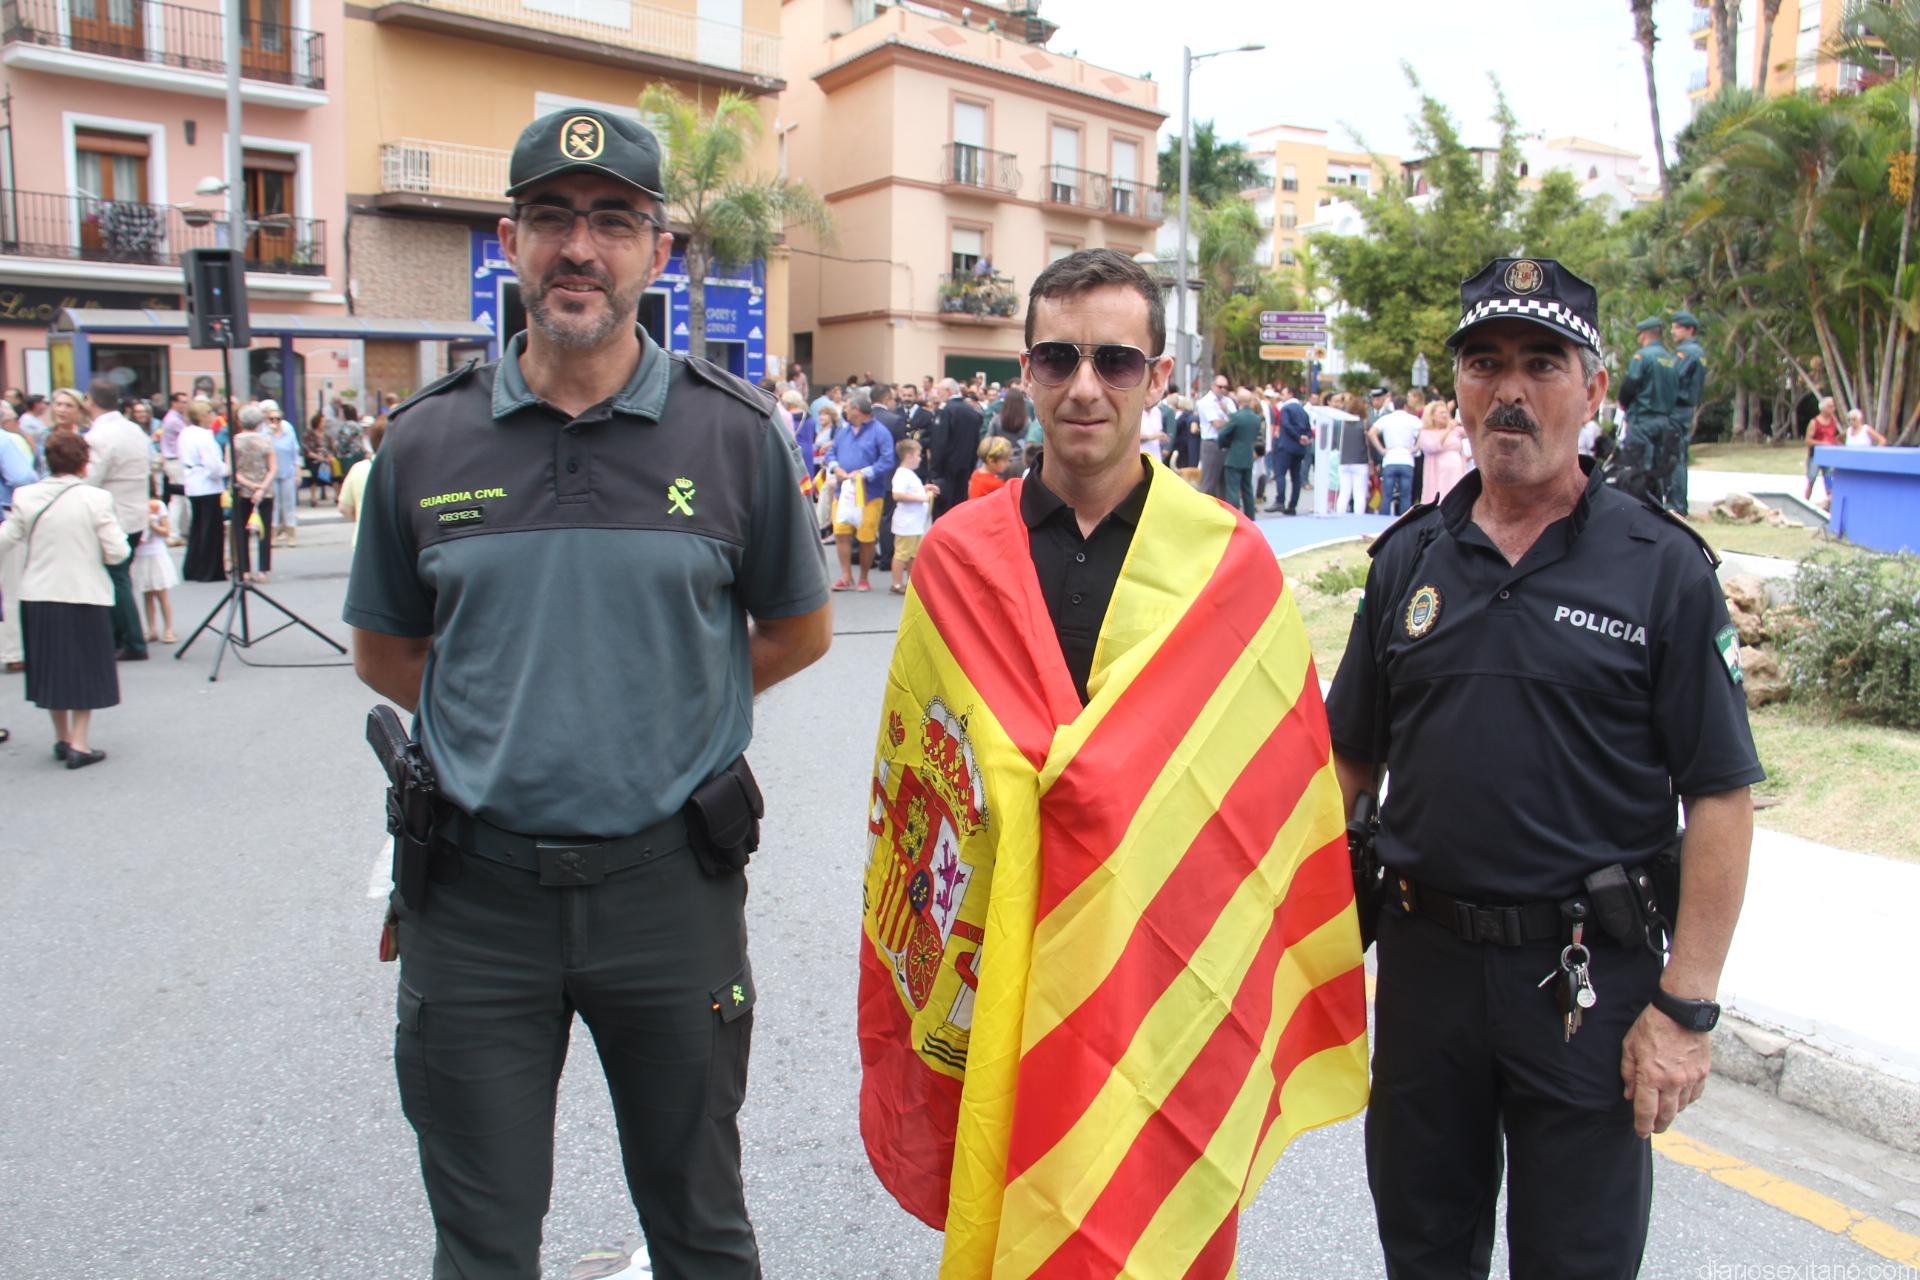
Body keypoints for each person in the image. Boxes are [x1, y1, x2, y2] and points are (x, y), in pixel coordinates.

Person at [343, 107, 832, 1280]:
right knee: (482, 1245)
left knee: (701, 1229)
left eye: (613, 221)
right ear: (508, 239)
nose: (580, 247)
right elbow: (387, 652)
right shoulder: (424, 442)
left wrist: (668, 698)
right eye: (552, 218)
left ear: (655, 249)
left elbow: (799, 629)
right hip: (475, 904)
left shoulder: (734, 435)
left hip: (670, 893)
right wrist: (511, 708)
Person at [856, 248, 1367, 1270]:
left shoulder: (1231, 567)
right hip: (1002, 962)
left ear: (1158, 377)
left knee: (1155, 1220)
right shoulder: (955, 558)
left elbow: (1276, 806)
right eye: (1059, 358)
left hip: (1163, 977)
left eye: (1116, 361)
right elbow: (919, 783)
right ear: (1026, 371)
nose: (1085, 386)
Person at [1326, 257, 1760, 1280]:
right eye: (1485, 362)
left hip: (1585, 983)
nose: (1509, 390)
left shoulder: (1661, 567)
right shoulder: (1407, 562)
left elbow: (1720, 797)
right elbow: (1348, 765)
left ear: (1594, 388)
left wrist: (1685, 1009)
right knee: (1423, 1250)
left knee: (1578, 1261)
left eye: (1541, 362)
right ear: (1458, 385)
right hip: (1425, 976)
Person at [0, 429, 128, 769]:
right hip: (84, 592)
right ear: (84, 463)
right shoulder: (96, 499)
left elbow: (6, 539)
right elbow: (117, 552)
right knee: (86, 667)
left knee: (50, 666)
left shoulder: (26, 496)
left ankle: (61, 737)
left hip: (39, 592)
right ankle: (80, 743)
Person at [81, 378, 152, 661]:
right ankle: (122, 636)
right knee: (120, 576)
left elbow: (90, 478)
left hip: (114, 513)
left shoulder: (99, 437)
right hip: (134, 511)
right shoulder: (133, 430)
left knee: (116, 577)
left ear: (91, 401)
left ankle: (131, 640)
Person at [829, 390, 895, 591]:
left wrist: (864, 473)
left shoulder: (880, 432)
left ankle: (864, 578)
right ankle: (845, 575)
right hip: (842, 492)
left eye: (847, 407)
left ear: (856, 410)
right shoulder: (843, 431)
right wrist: (836, 468)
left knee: (866, 537)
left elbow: (887, 460)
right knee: (841, 533)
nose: (845, 411)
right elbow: (831, 452)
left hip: (869, 494)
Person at [1617, 317, 1681, 508]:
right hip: (1664, 421)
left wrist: (1624, 404)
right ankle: (1656, 507)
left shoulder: (1642, 357)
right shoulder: (1670, 360)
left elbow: (1630, 385)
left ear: (1643, 335)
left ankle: (1636, 509)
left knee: (1637, 469)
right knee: (1658, 470)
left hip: (1642, 420)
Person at [179, 398, 228, 583]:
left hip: (193, 484)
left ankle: (193, 567)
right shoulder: (204, 436)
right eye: (209, 413)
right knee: (210, 530)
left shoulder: (186, 434)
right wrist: (226, 469)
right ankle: (208, 569)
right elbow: (213, 465)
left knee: (198, 528)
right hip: (207, 485)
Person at [228, 405, 276, 584]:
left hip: (242, 490)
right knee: (264, 531)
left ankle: (244, 570)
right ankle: (262, 570)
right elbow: (273, 468)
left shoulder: (234, 442)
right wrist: (262, 487)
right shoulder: (266, 441)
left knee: (241, 532)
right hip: (265, 491)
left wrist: (250, 485)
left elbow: (232, 470)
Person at [1668, 310, 1707, 515]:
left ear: (1689, 330)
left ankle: (1676, 504)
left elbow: (1671, 378)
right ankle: (1678, 503)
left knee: (1674, 457)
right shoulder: (1698, 352)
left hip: (1677, 409)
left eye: (1677, 327)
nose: (1672, 331)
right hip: (1686, 410)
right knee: (1679, 457)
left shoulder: (1686, 353)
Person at [888, 437, 935, 594]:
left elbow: (911, 490)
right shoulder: (902, 474)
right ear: (909, 456)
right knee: (901, 554)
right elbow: (897, 494)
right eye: (918, 455)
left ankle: (912, 582)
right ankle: (896, 583)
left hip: (914, 523)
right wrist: (922, 498)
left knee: (913, 555)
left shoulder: (909, 474)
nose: (920, 459)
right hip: (906, 523)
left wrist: (924, 489)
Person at [930, 377, 982, 517]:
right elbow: (976, 442)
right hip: (965, 468)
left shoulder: (945, 410)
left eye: (939, 391)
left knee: (943, 512)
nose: (938, 395)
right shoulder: (972, 411)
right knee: (959, 509)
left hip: (946, 470)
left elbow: (939, 443)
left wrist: (934, 471)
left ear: (948, 391)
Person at [134, 485, 179, 643]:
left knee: (161, 594)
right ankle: (151, 629)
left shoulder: (157, 505)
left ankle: (168, 629)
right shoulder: (134, 506)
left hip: (156, 553)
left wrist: (152, 524)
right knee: (147, 594)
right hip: (141, 554)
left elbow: (167, 531)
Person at [334, 419, 386, 547]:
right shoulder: (407, 469)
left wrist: (360, 517)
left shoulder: (359, 469)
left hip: (363, 541)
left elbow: (344, 508)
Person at [1368, 393, 1421, 516]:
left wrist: (1381, 449)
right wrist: (1416, 448)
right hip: (1407, 459)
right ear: (1405, 406)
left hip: (1390, 459)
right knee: (1405, 495)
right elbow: (1423, 432)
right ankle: (1404, 520)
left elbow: (1371, 433)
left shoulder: (1386, 419)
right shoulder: (1413, 419)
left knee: (1386, 494)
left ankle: (1383, 520)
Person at [260, 400, 302, 546]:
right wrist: (268, 433)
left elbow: (295, 453)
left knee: (289, 504)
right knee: (274, 505)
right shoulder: (264, 433)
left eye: (277, 419)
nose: (275, 422)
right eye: (271, 419)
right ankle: (273, 534)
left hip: (287, 472)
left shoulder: (288, 433)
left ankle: (291, 535)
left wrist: (298, 471)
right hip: (272, 474)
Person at [1267, 385, 1314, 515]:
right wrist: (1306, 437)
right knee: (1296, 477)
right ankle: (1292, 505)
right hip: (1299, 448)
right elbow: (1308, 428)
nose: (1281, 397)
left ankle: (1280, 501)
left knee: (1280, 474)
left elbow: (1286, 425)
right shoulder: (1303, 411)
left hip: (1286, 446)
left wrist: (1298, 436)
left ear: (1290, 394)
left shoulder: (1286, 408)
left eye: (1283, 394)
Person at [1215, 386, 1260, 518]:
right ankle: (1250, 517)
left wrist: (1225, 444)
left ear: (1239, 401)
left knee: (1232, 490)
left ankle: (1234, 518)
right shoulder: (1256, 418)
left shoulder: (1236, 417)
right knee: (1247, 489)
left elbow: (1223, 434)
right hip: (1248, 456)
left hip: (1234, 455)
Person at [1417, 399, 1469, 503]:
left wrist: (1460, 423)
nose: (1445, 415)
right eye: (1441, 413)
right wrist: (1447, 430)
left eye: (1446, 412)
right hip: (1439, 473)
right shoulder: (1426, 433)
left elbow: (1469, 432)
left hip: (1457, 470)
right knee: (1442, 495)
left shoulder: (1455, 431)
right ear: (1432, 416)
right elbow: (1432, 447)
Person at [1194, 372, 1232, 498]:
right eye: (1220, 387)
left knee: (1224, 483)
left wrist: (1228, 414)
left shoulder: (1228, 401)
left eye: (1225, 387)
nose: (1223, 390)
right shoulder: (1206, 402)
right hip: (1212, 443)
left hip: (1227, 443)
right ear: (1213, 386)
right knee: (1209, 481)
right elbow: (1217, 423)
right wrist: (1231, 420)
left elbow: (1236, 419)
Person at [1336, 394, 1372, 515]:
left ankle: (1340, 515)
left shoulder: (1342, 424)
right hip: (1360, 461)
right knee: (1359, 494)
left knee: (1344, 493)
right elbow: (1368, 445)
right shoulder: (1365, 424)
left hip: (1343, 461)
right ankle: (1358, 518)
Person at [1804, 396, 1841, 500]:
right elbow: (1808, 441)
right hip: (1815, 456)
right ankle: (1805, 501)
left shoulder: (1833, 421)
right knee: (1811, 481)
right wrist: (1822, 443)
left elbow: (1834, 437)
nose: (1833, 409)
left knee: (1829, 481)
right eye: (1830, 406)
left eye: (1833, 406)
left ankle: (1829, 503)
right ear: (1823, 408)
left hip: (1828, 456)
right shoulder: (1814, 422)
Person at [968, 434, 1013, 499]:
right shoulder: (997, 484)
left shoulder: (976, 474)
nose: (1008, 463)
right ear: (991, 461)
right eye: (1005, 461)